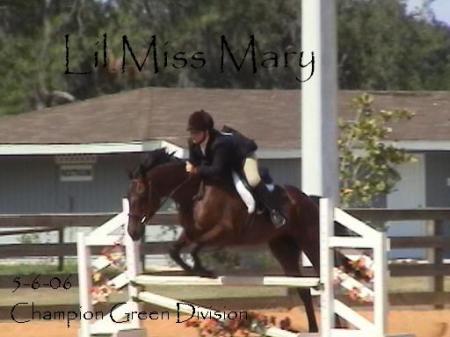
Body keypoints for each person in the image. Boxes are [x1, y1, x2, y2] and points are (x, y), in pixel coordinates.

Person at [186, 109, 287, 227]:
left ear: (206, 132)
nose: (193, 136)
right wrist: (190, 165)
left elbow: (217, 170)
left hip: (243, 158)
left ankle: (275, 212)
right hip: (226, 163)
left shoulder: (220, 144)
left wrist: (197, 170)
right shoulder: (192, 143)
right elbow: (194, 162)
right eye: (191, 132)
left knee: (253, 179)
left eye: (196, 132)